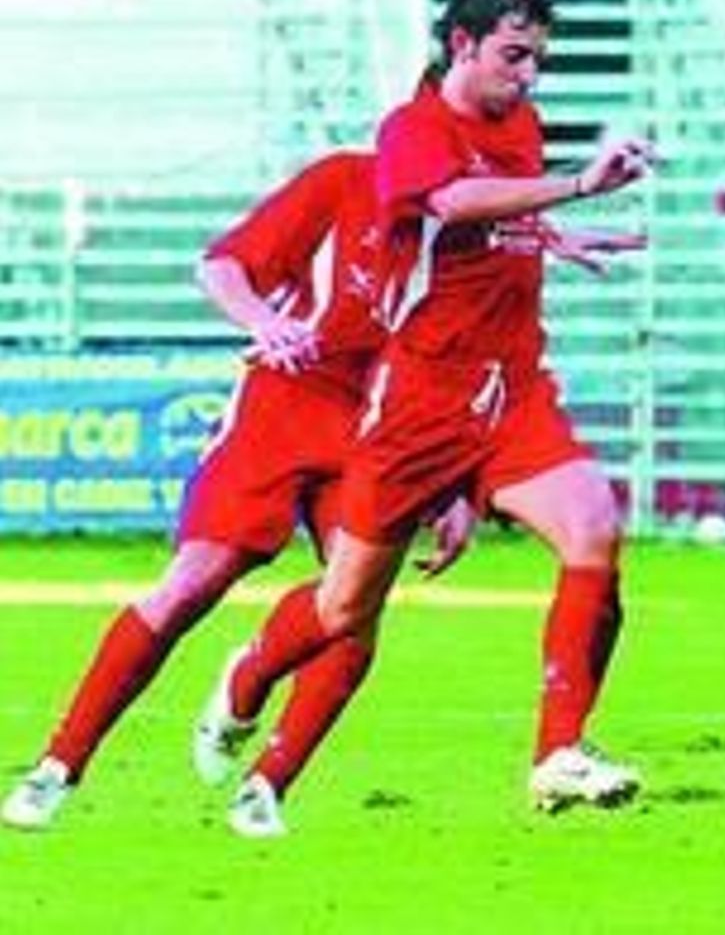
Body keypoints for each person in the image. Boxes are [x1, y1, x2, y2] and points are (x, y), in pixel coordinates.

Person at [191, 0, 656, 838]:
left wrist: (553, 234)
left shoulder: (521, 123)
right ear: (462, 44)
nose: (530, 76)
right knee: (343, 609)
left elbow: (487, 224)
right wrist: (575, 187)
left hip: (512, 389)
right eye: (515, 55)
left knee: (592, 524)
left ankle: (558, 752)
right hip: (421, 400)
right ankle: (249, 675)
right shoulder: (412, 129)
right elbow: (451, 200)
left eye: (539, 58)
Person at [0, 151, 476, 831]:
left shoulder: (484, 230)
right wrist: (264, 322)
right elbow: (220, 266)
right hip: (284, 402)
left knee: (353, 608)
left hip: (383, 429)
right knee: (193, 581)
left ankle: (266, 785)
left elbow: (478, 361)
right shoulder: (346, 180)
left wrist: (459, 483)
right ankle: (58, 766)